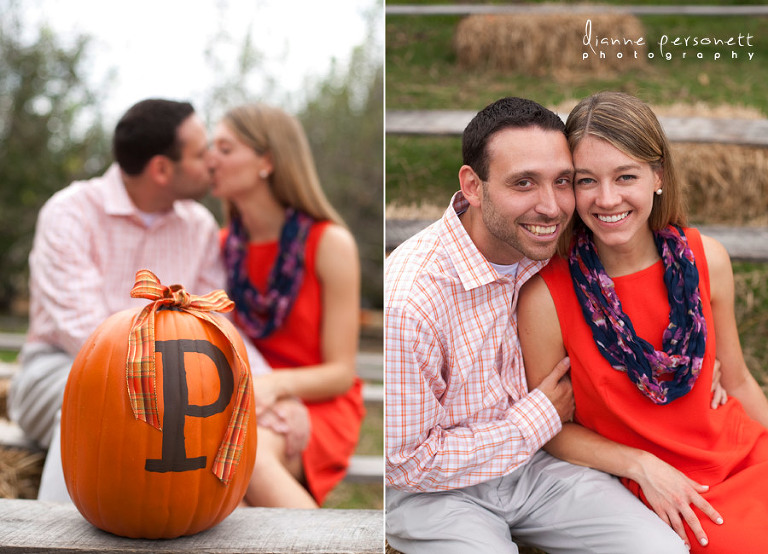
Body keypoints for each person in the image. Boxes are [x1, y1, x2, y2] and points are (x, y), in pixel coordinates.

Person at [385, 96, 688, 553]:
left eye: (562, 182)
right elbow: (405, 464)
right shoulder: (411, 298)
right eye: (524, 183)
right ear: (473, 185)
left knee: (659, 549)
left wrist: (701, 356)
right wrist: (539, 417)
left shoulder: (560, 247)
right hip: (435, 493)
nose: (550, 207)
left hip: (537, 469)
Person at [518, 91, 768, 552]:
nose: (607, 198)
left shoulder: (707, 258)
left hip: (746, 454)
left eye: (626, 176)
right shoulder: (546, 296)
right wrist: (639, 465)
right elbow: (552, 429)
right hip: (666, 490)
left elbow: (739, 382)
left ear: (657, 176)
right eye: (586, 180)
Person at [8, 98, 238, 501]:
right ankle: (53, 542)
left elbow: (216, 322)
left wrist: (265, 386)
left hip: (178, 378)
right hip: (58, 366)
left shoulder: (199, 225)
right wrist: (165, 388)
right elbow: (84, 335)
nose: (211, 162)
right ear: (162, 169)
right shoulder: (70, 213)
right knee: (92, 404)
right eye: (201, 154)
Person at [207, 102, 364, 509]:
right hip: (243, 396)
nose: (210, 160)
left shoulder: (329, 244)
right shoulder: (220, 248)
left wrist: (275, 388)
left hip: (319, 401)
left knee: (248, 458)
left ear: (267, 161)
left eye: (225, 149)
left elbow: (340, 374)